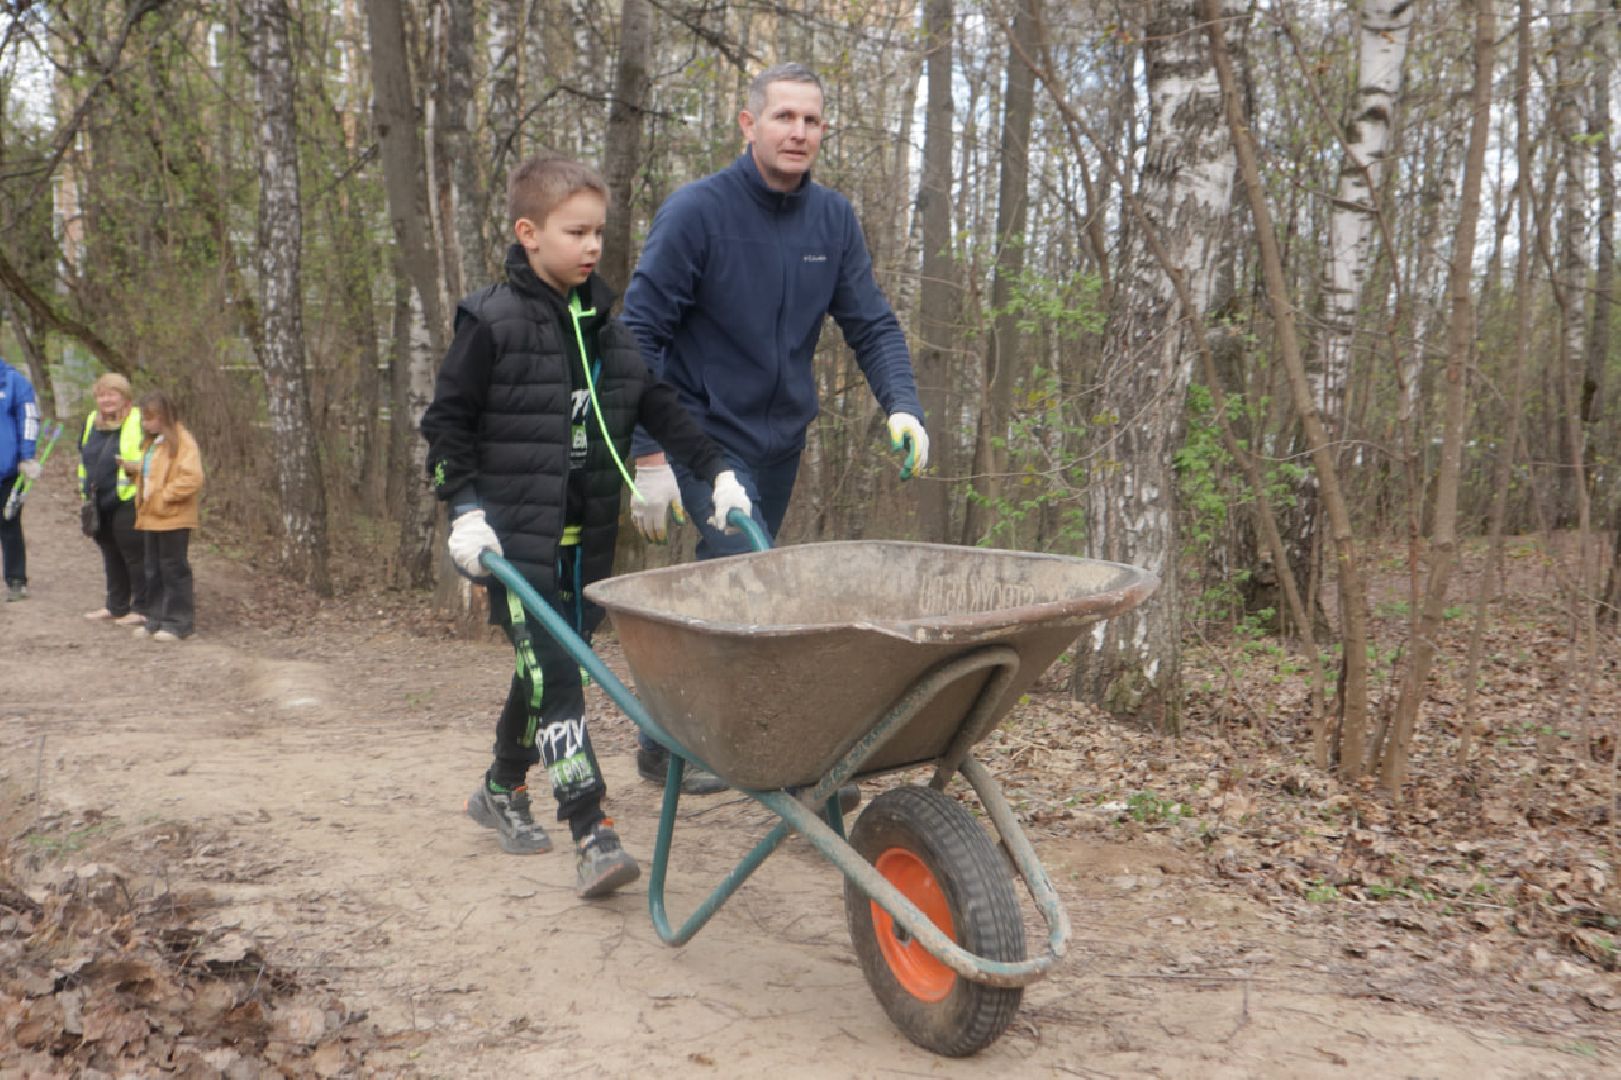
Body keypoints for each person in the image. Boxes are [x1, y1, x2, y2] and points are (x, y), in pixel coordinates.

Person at [419, 155, 752, 899]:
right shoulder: (491, 323)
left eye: (599, 232)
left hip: (584, 550)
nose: (593, 245)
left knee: (541, 672)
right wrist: (463, 508)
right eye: (576, 232)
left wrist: (718, 472)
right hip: (513, 549)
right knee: (559, 677)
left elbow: (661, 407)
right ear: (529, 233)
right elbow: (445, 426)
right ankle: (591, 829)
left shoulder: (609, 333)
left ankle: (501, 788)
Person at [621, 62, 930, 791]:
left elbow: (871, 323)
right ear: (748, 123)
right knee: (752, 583)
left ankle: (662, 741)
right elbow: (636, 334)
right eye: (783, 116)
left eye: (811, 120)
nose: (798, 132)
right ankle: (796, 761)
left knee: (725, 584)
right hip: (699, 433)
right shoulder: (697, 213)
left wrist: (903, 404)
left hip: (780, 439)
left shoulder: (833, 221)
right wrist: (648, 455)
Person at [125, 389, 204, 642]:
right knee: (153, 569)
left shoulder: (183, 441)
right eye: (144, 418)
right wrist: (134, 472)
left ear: (164, 416)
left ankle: (178, 622)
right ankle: (155, 618)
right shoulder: (153, 443)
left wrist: (163, 496)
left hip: (173, 516)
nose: (145, 423)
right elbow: (154, 474)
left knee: (173, 569)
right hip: (151, 516)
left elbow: (192, 478)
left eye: (150, 418)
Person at [77, 373, 147, 626]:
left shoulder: (138, 419)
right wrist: (84, 490)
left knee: (134, 554)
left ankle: (142, 607)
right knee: (110, 552)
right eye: (101, 395)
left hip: (128, 497)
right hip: (98, 498)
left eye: (112, 394)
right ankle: (116, 605)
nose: (106, 400)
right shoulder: (91, 421)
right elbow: (84, 455)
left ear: (124, 396)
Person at [0, 355, 42, 602]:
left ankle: (16, 580)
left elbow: (28, 419)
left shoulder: (14, 382)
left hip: (7, 472)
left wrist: (27, 457)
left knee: (9, 524)